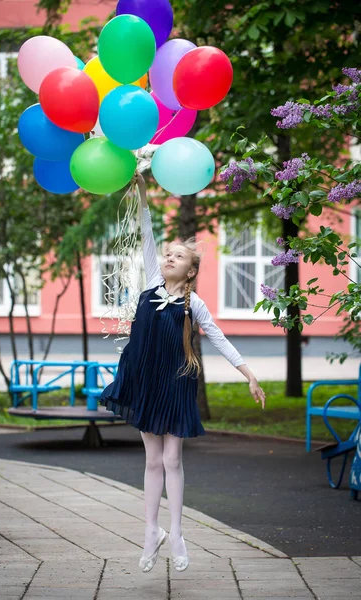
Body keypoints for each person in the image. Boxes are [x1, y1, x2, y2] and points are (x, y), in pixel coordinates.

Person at [99, 171, 266, 574]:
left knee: (172, 459)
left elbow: (221, 339)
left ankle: (176, 533)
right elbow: (146, 232)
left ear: (190, 271)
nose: (169, 258)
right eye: (169, 254)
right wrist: (140, 190)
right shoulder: (152, 284)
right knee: (152, 460)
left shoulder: (198, 305)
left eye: (178, 257)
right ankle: (150, 531)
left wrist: (249, 374)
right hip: (141, 379)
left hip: (174, 383)